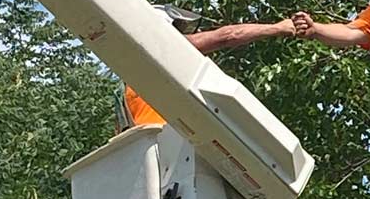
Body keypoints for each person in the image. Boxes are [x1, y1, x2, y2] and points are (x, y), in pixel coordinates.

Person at [118, 16, 296, 129]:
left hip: (153, 159)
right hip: (168, 146)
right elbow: (228, 36)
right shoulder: (163, 51)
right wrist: (277, 28)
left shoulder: (133, 78)